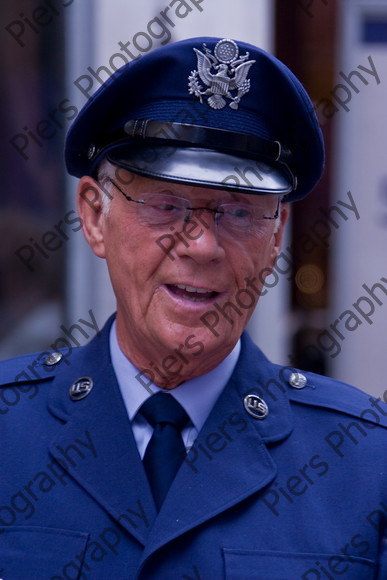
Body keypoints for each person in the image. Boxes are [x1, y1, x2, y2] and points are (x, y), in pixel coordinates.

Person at [1, 36, 386, 579]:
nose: (201, 245)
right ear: (93, 216)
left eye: (239, 212)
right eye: (165, 205)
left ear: (276, 236)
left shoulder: (366, 462)